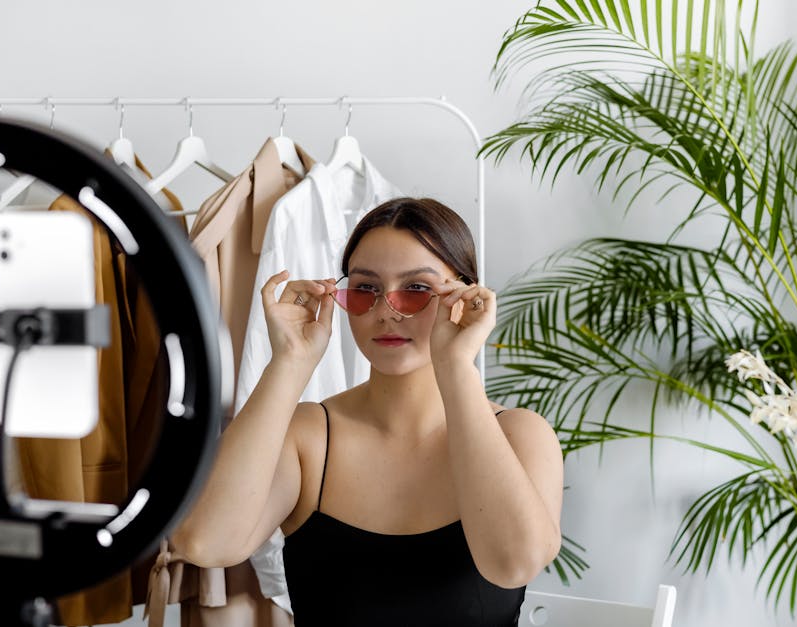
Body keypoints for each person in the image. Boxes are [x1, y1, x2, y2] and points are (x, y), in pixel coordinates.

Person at [172, 197, 564, 626]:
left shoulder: (521, 434)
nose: (386, 311)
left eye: (416, 289)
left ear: (463, 295)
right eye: (365, 289)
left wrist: (455, 365)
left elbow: (513, 564)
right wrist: (289, 362)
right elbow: (204, 543)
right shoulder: (309, 437)